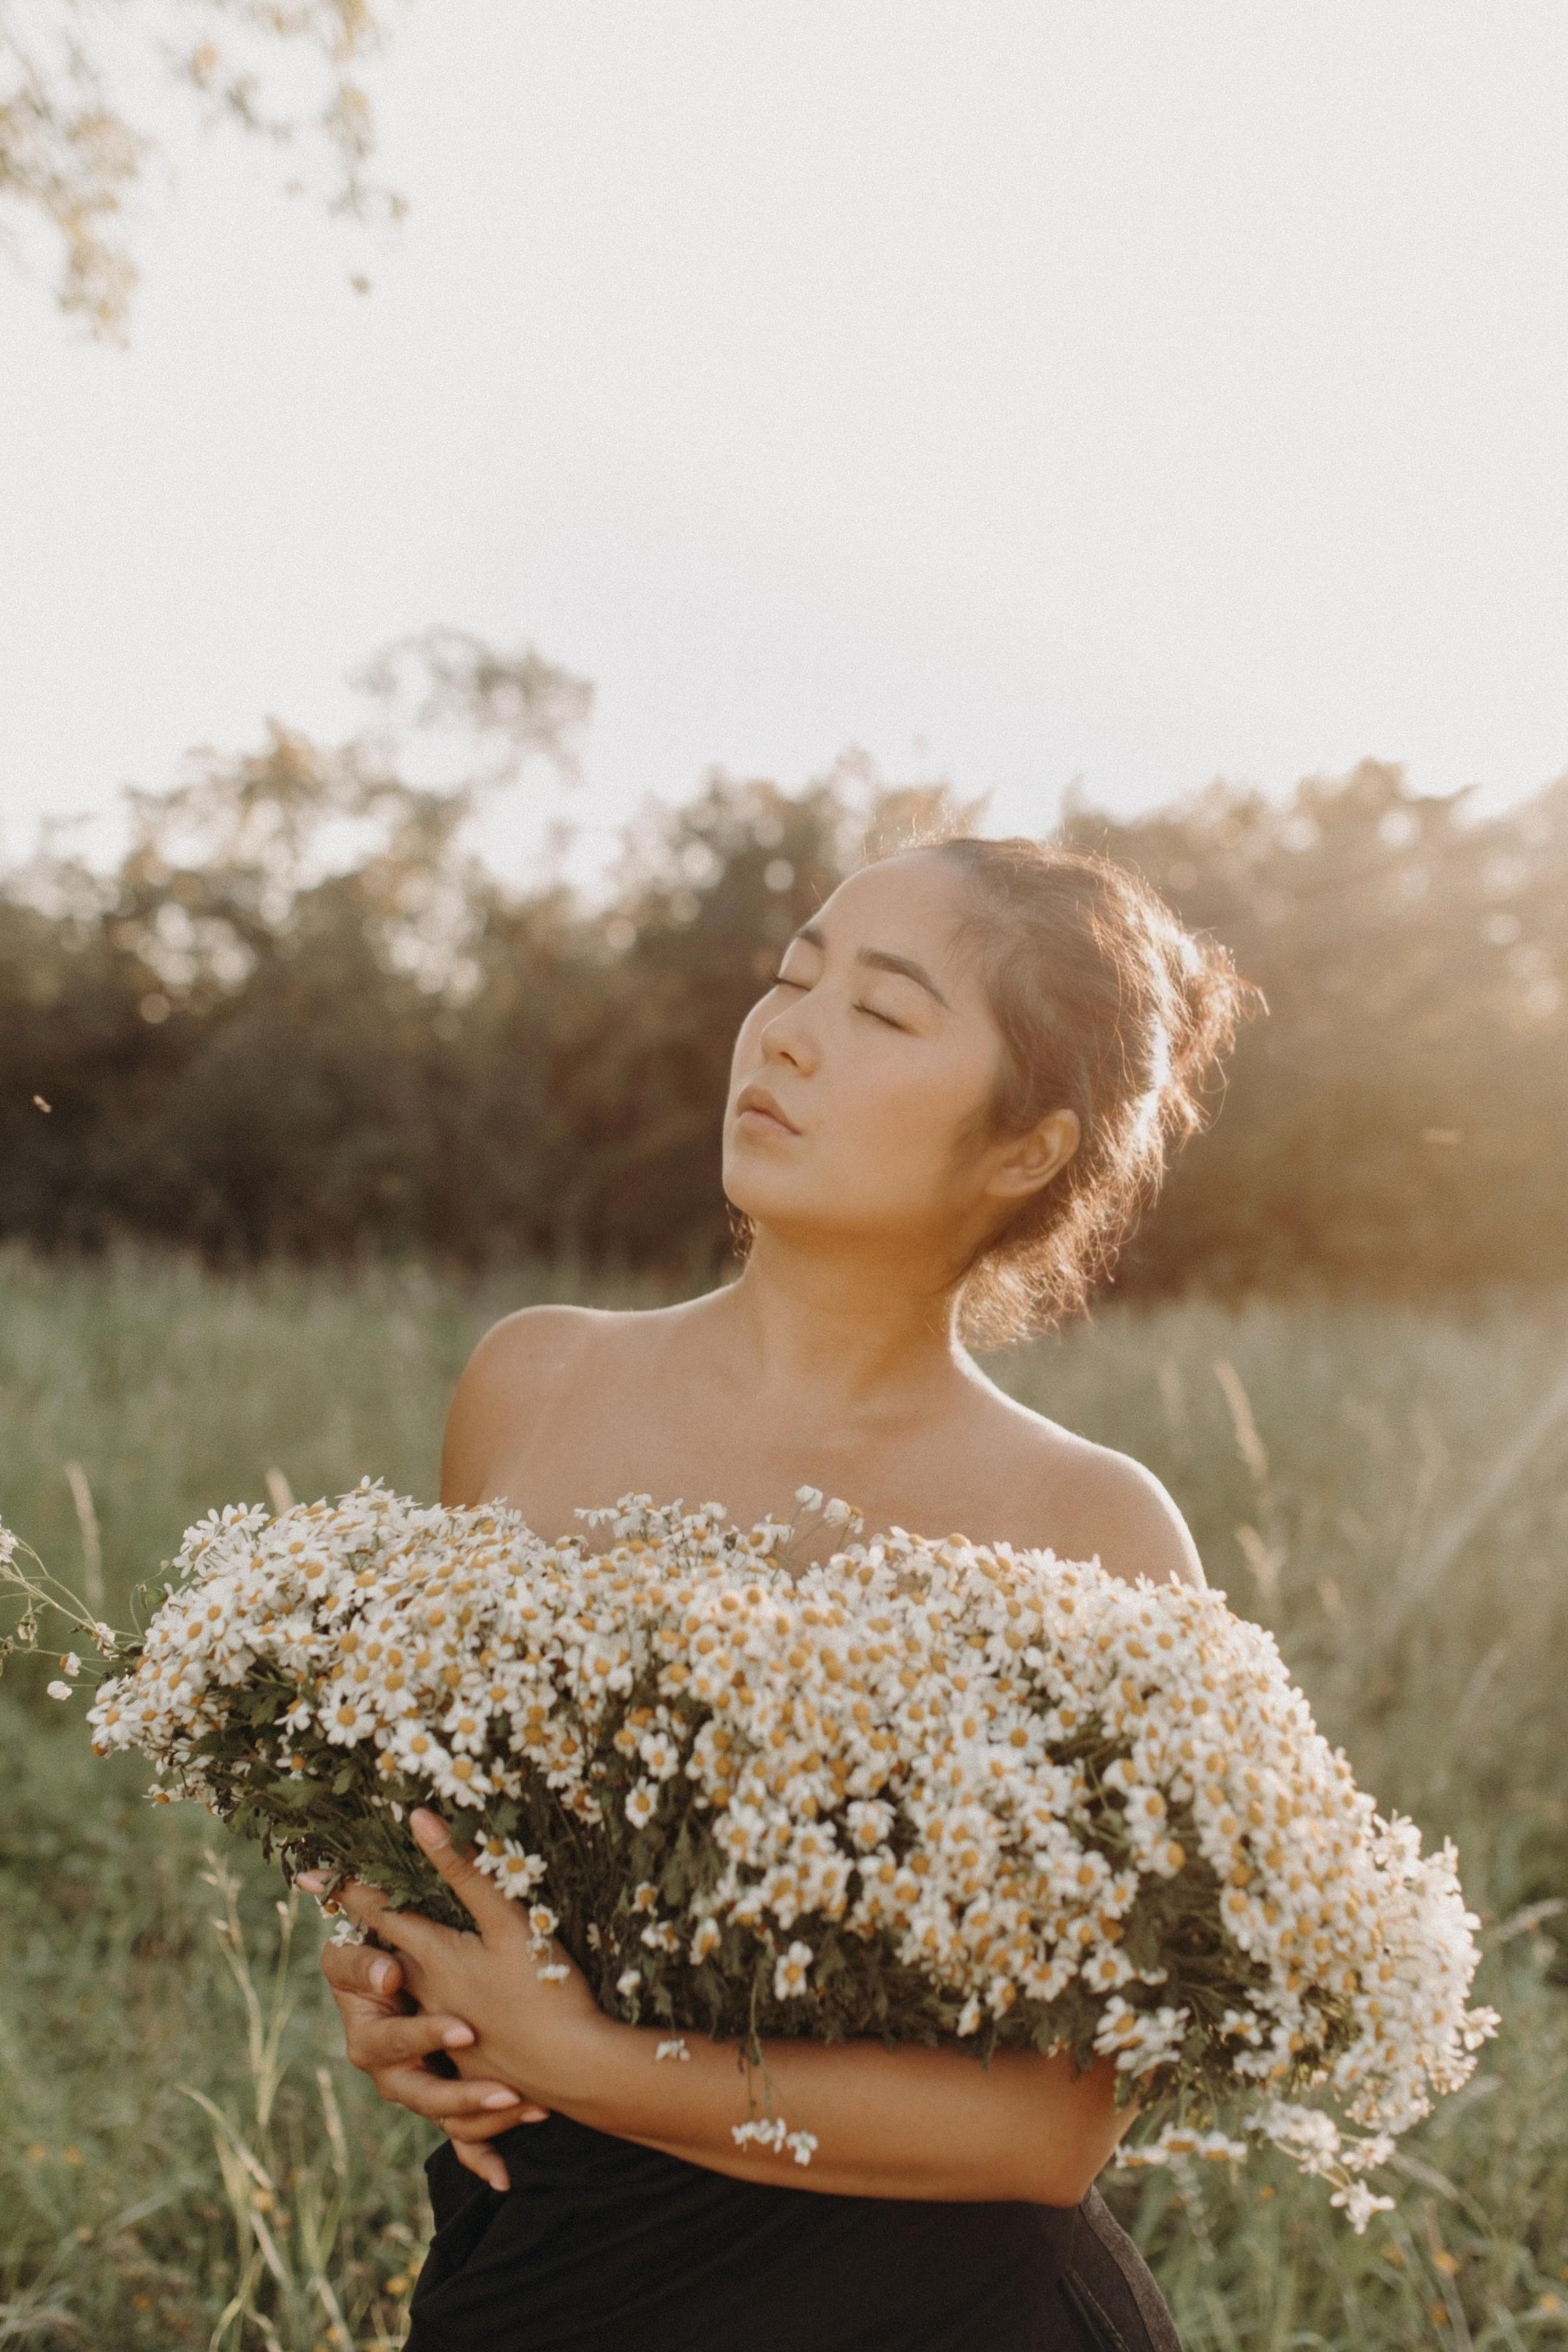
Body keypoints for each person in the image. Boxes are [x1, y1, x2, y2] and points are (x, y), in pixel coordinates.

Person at [307, 833, 1250, 2351]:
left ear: (1025, 1149)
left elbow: (1053, 2134)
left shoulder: (1087, 1526)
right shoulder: (532, 1383)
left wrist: (587, 2061)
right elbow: (443, 1839)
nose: (788, 1034)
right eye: (791, 977)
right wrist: (399, 1986)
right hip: (549, 2265)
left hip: (933, 2311)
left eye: (880, 1011)